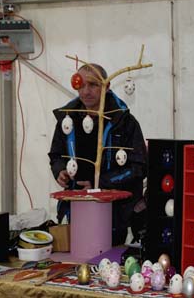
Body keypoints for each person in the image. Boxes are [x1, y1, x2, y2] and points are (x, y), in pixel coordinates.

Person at [49, 63, 146, 245]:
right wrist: (60, 170)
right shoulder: (68, 119)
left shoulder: (124, 122)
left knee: (109, 256)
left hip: (116, 213)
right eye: (81, 85)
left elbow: (138, 167)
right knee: (80, 253)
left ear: (106, 86)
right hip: (76, 208)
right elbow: (56, 155)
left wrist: (99, 184)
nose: (86, 91)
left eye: (93, 85)